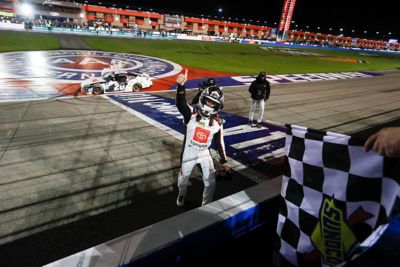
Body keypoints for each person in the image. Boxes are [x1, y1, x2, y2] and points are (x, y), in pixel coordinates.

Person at [175, 70, 230, 207]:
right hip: (189, 151)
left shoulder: (218, 123)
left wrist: (224, 161)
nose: (210, 105)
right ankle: (181, 195)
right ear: (202, 98)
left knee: (210, 183)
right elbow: (181, 104)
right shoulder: (191, 114)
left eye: (213, 103)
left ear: (218, 106)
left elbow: (219, 143)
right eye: (208, 101)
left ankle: (206, 206)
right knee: (183, 180)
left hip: (205, 153)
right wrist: (181, 87)